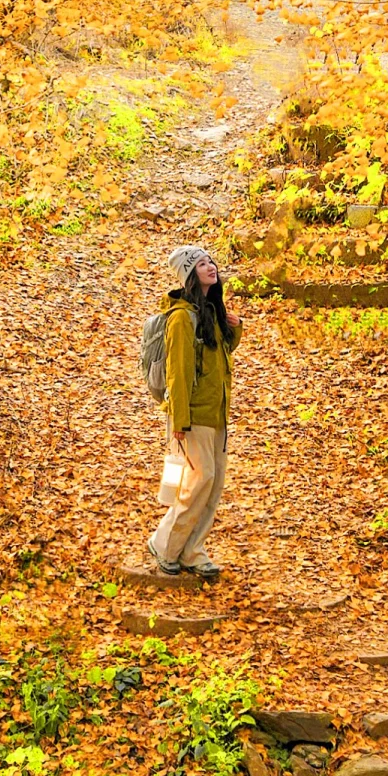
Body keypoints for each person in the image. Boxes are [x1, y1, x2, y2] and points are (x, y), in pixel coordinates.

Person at [148, 245, 242, 579]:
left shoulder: (211, 311)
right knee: (198, 481)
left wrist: (235, 327)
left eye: (210, 261)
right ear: (190, 274)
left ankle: (192, 550)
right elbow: (179, 370)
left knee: (212, 485)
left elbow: (220, 355)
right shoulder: (181, 318)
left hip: (216, 414)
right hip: (193, 415)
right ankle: (165, 544)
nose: (210, 266)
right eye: (201, 264)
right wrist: (181, 419)